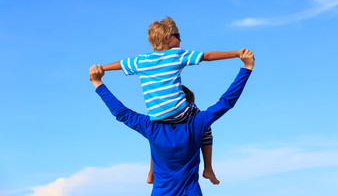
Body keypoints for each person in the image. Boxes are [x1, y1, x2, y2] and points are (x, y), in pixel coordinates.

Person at [95, 16, 248, 184]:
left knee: (154, 139)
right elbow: (207, 57)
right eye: (178, 35)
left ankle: (151, 172)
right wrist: (237, 55)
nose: (181, 39)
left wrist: (101, 71)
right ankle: (208, 168)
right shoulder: (176, 55)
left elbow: (121, 67)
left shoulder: (141, 61)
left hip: (157, 117)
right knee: (205, 124)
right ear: (166, 38)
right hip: (181, 113)